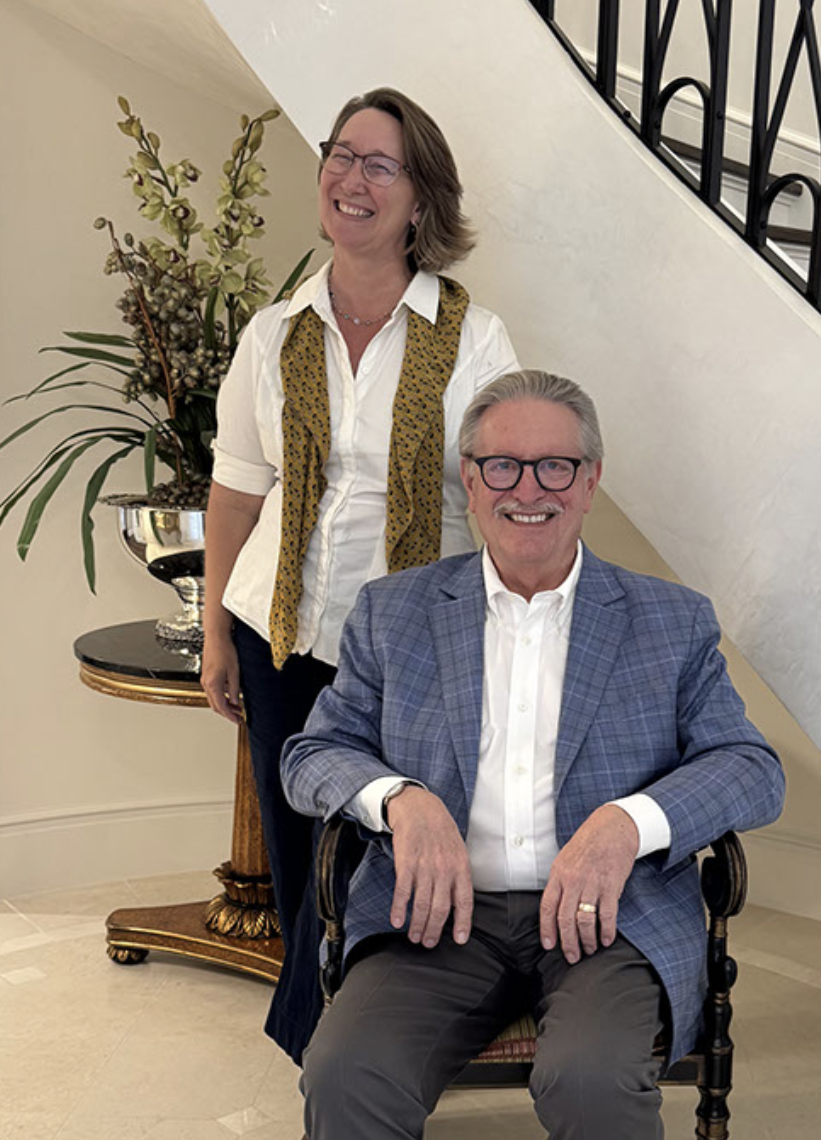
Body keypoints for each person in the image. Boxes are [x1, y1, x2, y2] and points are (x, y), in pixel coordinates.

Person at [282, 370, 786, 1139]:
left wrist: (627, 824)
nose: (530, 489)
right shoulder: (394, 611)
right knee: (347, 1071)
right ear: (472, 482)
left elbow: (752, 769)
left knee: (591, 1082)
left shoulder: (670, 621)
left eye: (556, 465)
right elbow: (314, 752)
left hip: (608, 924)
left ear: (590, 482)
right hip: (432, 920)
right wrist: (399, 800)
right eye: (503, 466)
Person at [200, 87, 519, 1064]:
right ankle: (336, 1068)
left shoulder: (473, 340)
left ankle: (353, 1055)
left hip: (413, 653)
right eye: (341, 155)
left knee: (386, 859)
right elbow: (238, 492)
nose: (352, 178)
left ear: (421, 199)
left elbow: (503, 502)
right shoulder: (275, 333)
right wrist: (218, 631)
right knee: (300, 859)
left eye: (380, 164)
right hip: (280, 633)